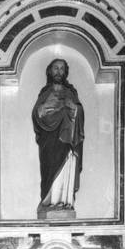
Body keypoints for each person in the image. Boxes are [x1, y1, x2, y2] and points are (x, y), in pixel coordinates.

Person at [32, 58, 84, 211]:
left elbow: (79, 113)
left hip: (67, 140)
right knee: (49, 168)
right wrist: (45, 108)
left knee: (66, 166)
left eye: (62, 68)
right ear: (50, 70)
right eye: (56, 68)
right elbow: (36, 114)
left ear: (65, 72)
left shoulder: (70, 92)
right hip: (49, 140)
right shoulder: (45, 92)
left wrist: (73, 108)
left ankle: (64, 201)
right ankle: (48, 202)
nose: (59, 71)